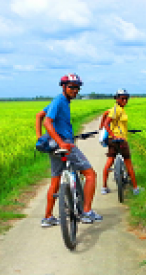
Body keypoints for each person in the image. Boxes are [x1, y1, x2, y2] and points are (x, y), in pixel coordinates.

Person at [35, 73, 102, 227]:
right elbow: (47, 122)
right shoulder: (60, 100)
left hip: (53, 146)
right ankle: (86, 212)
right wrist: (61, 142)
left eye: (77, 88)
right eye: (72, 87)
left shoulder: (59, 101)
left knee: (56, 180)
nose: (75, 90)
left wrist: (41, 139)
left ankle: (48, 217)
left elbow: (39, 115)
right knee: (90, 175)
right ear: (64, 87)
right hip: (64, 144)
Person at [100, 88, 144, 195]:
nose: (125, 100)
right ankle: (135, 189)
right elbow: (107, 123)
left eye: (126, 98)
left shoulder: (115, 109)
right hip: (120, 140)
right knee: (128, 162)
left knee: (109, 162)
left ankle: (104, 187)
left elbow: (105, 114)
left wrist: (102, 126)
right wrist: (112, 133)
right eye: (122, 98)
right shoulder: (117, 110)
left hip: (113, 140)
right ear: (117, 99)